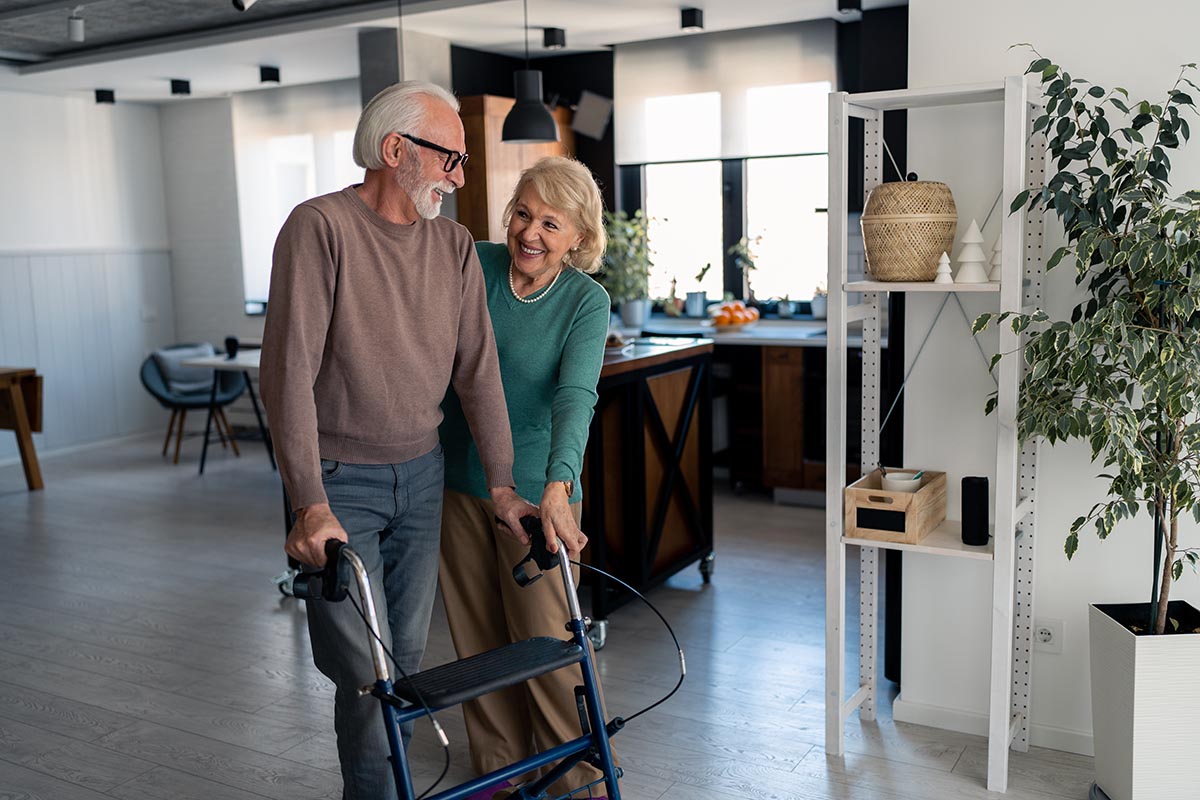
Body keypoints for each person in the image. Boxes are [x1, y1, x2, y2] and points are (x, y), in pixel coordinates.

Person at [259, 81, 534, 800]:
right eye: (452, 159)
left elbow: (479, 373)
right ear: (396, 150)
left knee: (405, 662)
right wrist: (307, 502)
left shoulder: (453, 248)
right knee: (365, 674)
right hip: (339, 481)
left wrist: (502, 483)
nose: (460, 178)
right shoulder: (319, 228)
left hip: (422, 477)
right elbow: (288, 376)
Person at [438, 156, 615, 800]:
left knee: (544, 639)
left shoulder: (583, 301)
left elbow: (576, 396)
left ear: (579, 238)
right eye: (522, 213)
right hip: (458, 476)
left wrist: (560, 486)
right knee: (476, 638)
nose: (530, 233)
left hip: (539, 494)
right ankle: (499, 769)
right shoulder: (474, 265)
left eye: (551, 222)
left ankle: (579, 774)